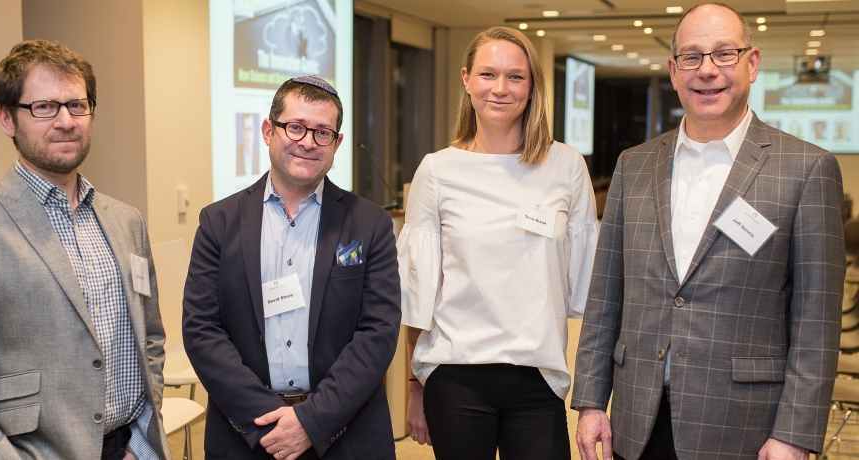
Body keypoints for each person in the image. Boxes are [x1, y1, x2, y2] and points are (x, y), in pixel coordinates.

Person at [572, 4, 845, 460]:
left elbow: (816, 319)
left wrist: (795, 433)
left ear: (752, 63)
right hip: (636, 421)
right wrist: (590, 401)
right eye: (693, 57)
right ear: (674, 71)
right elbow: (606, 295)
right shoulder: (633, 165)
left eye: (724, 54)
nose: (708, 71)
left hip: (745, 428)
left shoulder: (807, 169)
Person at [0, 39, 169, 459]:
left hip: (131, 449)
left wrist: (141, 442)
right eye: (44, 107)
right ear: (6, 118)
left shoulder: (127, 222)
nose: (66, 121)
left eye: (77, 105)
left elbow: (151, 336)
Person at [399, 26, 599, 459]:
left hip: (538, 374)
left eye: (515, 76)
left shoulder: (566, 166)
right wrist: (414, 387)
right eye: (488, 74)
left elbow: (587, 288)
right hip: (456, 376)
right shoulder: (437, 171)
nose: (501, 88)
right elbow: (418, 295)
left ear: (532, 87)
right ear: (466, 79)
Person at [183, 76, 401, 460]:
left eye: (322, 133)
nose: (307, 142)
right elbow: (202, 330)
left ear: (337, 144)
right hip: (247, 435)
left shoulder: (370, 224)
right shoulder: (218, 222)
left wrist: (311, 422)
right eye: (295, 127)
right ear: (269, 131)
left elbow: (378, 333)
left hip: (346, 435)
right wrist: (267, 419)